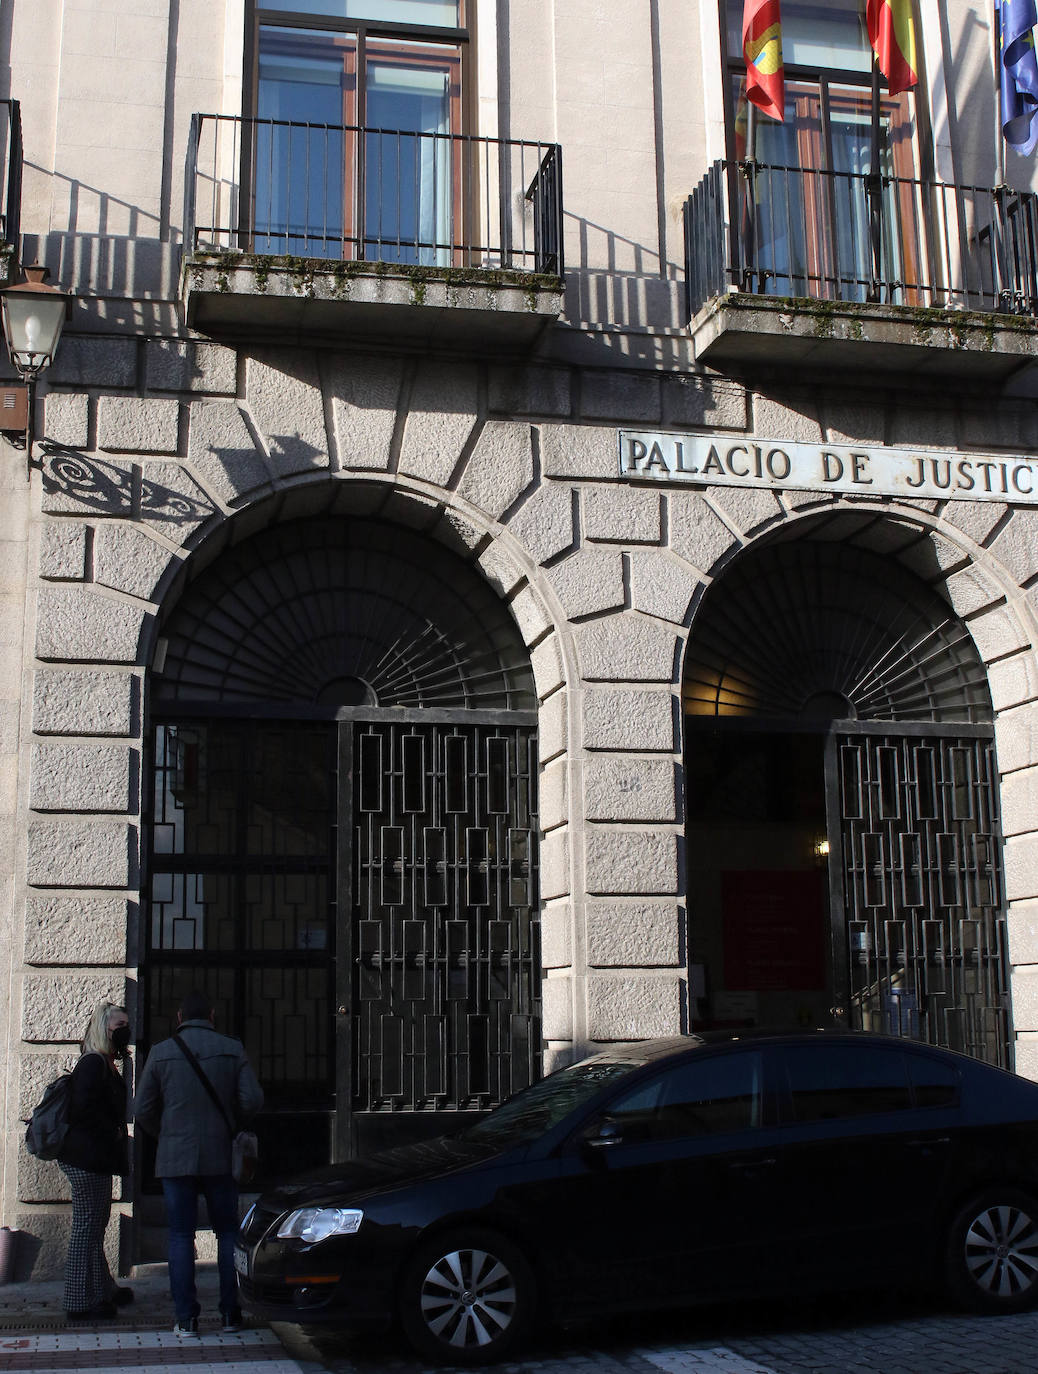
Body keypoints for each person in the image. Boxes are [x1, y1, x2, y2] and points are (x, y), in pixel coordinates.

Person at [133, 990, 263, 1338]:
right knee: (226, 1233)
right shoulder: (232, 1048)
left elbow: (142, 1108)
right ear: (213, 1015)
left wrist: (166, 1133)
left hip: (175, 1157)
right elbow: (253, 1098)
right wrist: (231, 1122)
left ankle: (185, 1318)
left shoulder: (161, 1053)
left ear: (179, 1017)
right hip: (220, 1154)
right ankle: (230, 1314)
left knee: (179, 1235)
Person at [56, 1000, 133, 1320]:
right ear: (103, 1029)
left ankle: (104, 1291)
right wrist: (111, 1132)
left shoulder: (105, 1062)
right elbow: (81, 1111)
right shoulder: (92, 1063)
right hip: (86, 1159)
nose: (125, 1032)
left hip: (94, 1158)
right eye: (119, 1027)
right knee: (86, 1230)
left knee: (94, 1227)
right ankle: (77, 1302)